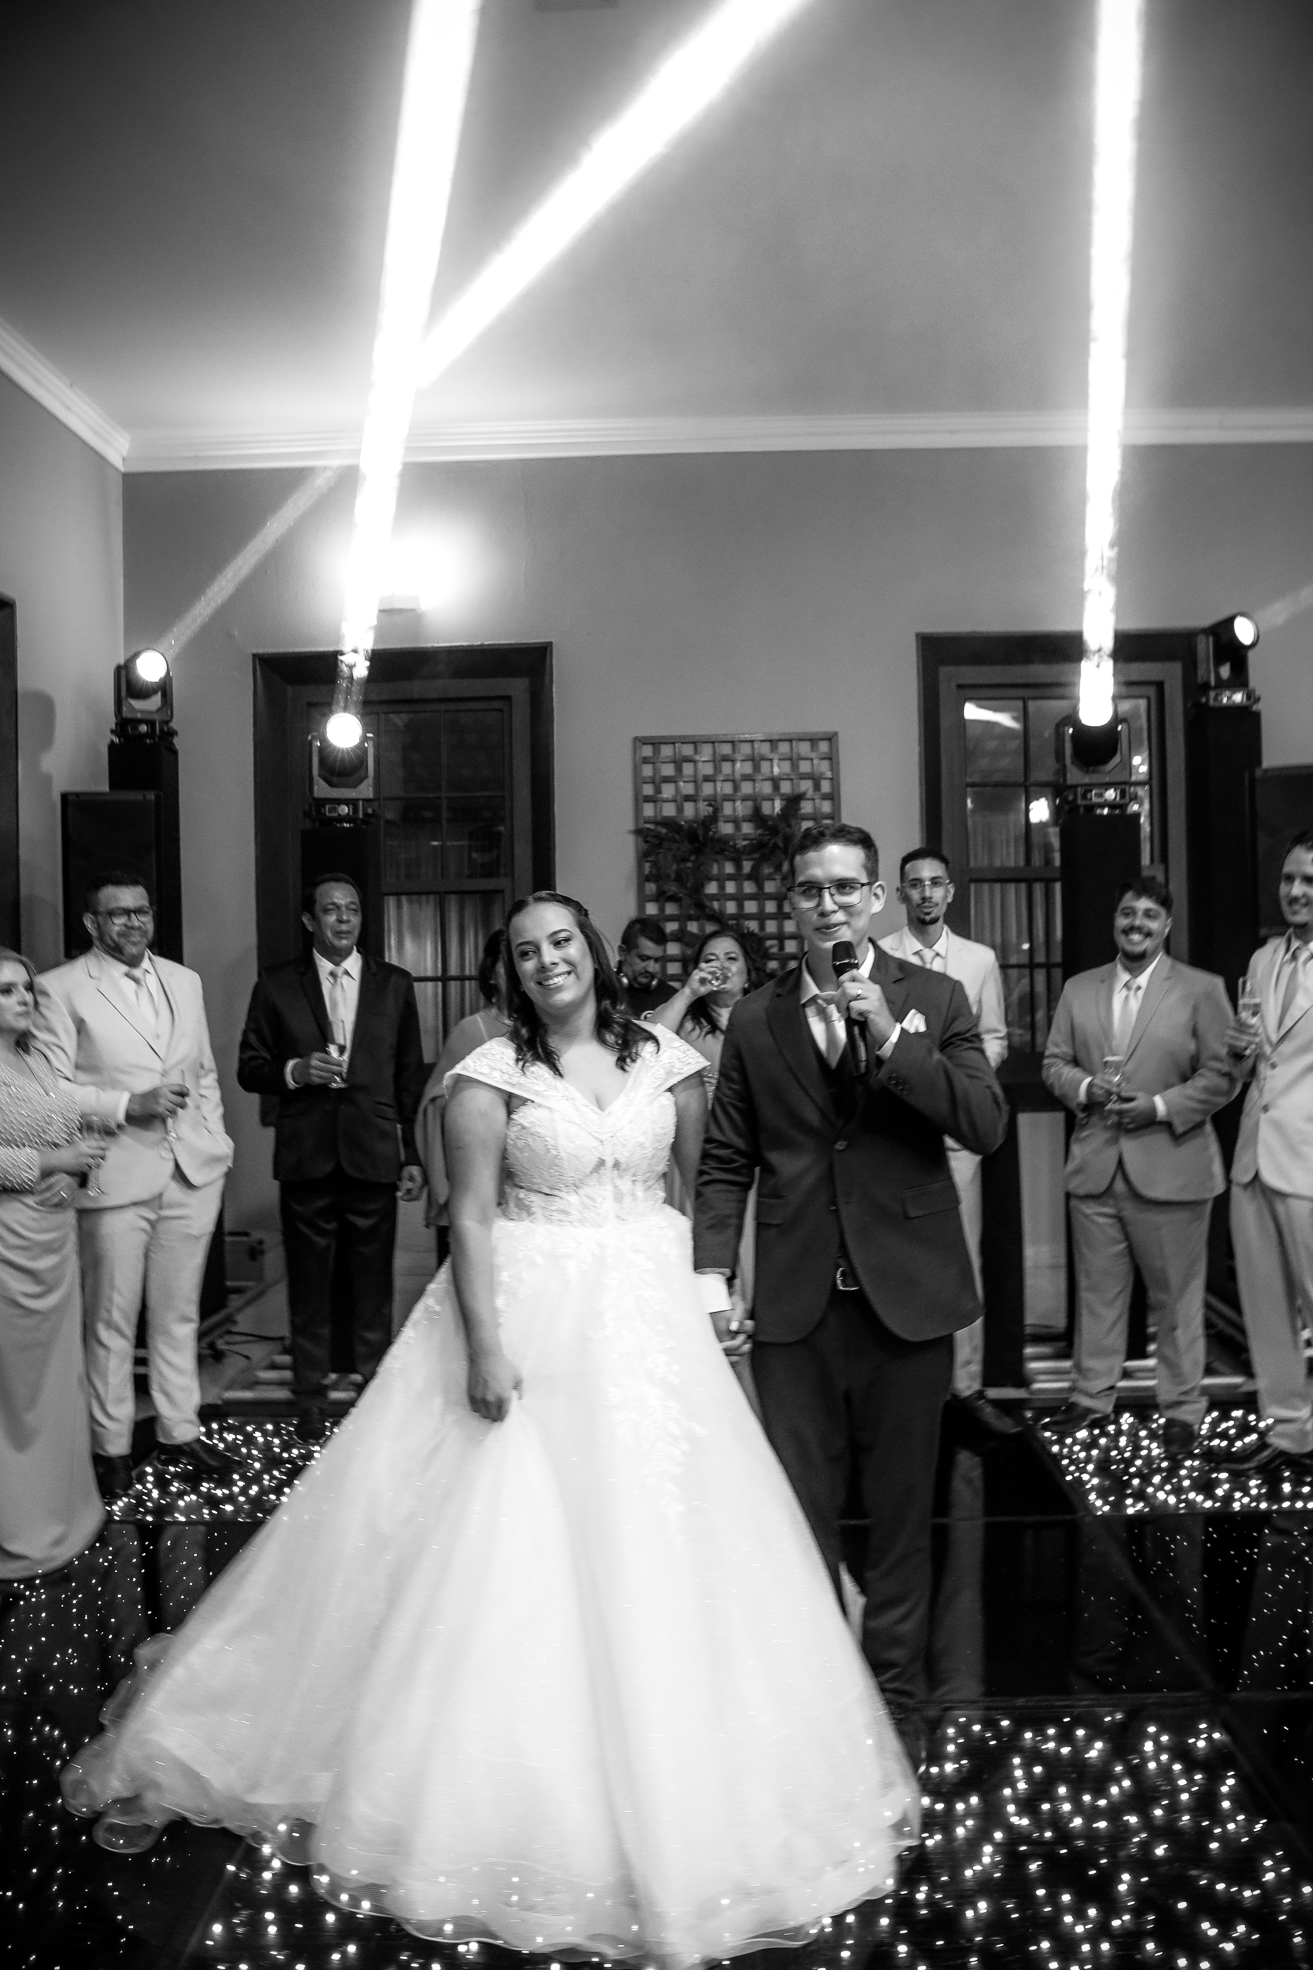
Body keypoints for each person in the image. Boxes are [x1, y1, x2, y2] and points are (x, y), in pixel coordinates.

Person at [62, 891, 917, 1962]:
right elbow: (468, 1216)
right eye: (526, 951)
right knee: (501, 1540)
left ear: (592, 953)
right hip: (531, 1309)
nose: (548, 960)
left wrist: (712, 1296)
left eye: (561, 942)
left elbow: (696, 1190)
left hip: (649, 1313)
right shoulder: (487, 1075)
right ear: (508, 973)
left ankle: (705, 1761)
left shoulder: (669, 1061)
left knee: (678, 1530)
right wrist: (483, 1344)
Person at [693, 820, 1008, 1772]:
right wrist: (709, 1281)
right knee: (801, 1518)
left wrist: (888, 1035)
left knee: (903, 1519)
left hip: (905, 1299)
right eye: (808, 889)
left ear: (874, 898)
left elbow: (983, 1122)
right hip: (793, 1307)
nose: (826, 905)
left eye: (843, 888)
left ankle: (898, 1702)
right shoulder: (756, 1020)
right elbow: (725, 1159)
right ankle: (819, 1701)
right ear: (790, 903)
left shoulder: (934, 998)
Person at [34, 874, 236, 1500]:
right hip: (115, 1173)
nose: (133, 922)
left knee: (178, 1314)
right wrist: (128, 1104)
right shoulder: (60, 987)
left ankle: (179, 1427)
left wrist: (216, 1138)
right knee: (111, 1321)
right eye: (117, 914)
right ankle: (112, 1446)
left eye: (141, 911)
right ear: (91, 924)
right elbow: (49, 1088)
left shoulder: (184, 980)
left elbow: (203, 1072)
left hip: (192, 1170)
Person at [1041, 876, 1233, 1456]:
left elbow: (1223, 1075)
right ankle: (1090, 1396)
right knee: (1097, 1295)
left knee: (1176, 1301)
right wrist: (1085, 1088)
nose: (1137, 924)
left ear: (1166, 926)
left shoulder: (1202, 989)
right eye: (1128, 913)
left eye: (1150, 915)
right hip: (1096, 1166)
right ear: (1115, 922)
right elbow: (1054, 1063)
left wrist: (1158, 1107)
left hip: (1173, 1168)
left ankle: (1182, 1407)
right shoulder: (1079, 989)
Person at [236, 873, 427, 1442]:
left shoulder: (395, 983)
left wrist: (413, 1154)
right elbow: (250, 1066)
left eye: (352, 909)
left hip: (373, 1150)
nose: (344, 919)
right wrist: (296, 1070)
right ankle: (310, 1394)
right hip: (307, 1151)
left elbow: (409, 1074)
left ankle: (372, 1386)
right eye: (331, 910)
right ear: (309, 920)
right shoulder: (276, 984)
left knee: (373, 1280)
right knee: (309, 1280)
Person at [878, 847, 1016, 1438]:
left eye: (936, 883)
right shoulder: (881, 955)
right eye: (916, 884)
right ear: (900, 894)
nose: (927, 893)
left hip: (956, 1132)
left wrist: (956, 1080)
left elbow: (995, 1038)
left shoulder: (980, 960)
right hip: (897, 1127)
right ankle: (911, 1387)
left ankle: (966, 1387)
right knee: (899, 1254)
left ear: (950, 891)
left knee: (962, 1257)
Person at [0, 950, 119, 1576]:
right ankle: (21, 1523)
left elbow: (73, 1136)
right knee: (15, 1387)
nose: (22, 999)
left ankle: (65, 1508)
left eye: (25, 988)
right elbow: (43, 1153)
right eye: (5, 991)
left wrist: (77, 1172)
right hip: (6, 1241)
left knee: (57, 1376)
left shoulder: (40, 1060)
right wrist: (51, 1164)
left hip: (54, 1236)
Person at [1211, 831, 1313, 1476]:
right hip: (1253, 1154)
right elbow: (1253, 1066)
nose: (1295, 892)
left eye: (1309, 881)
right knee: (1266, 1306)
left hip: (1308, 1160)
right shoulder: (1265, 957)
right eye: (1288, 879)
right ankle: (1291, 1429)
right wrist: (1240, 1050)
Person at [414, 929, 510, 1253]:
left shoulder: (548, 1030)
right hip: (482, 1184)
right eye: (507, 963)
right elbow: (434, 1105)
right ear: (491, 974)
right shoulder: (472, 1031)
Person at [615, 915, 676, 1017]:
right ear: (623, 952)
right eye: (644, 959)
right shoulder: (599, 992)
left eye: (657, 960)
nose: (651, 969)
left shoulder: (671, 998)